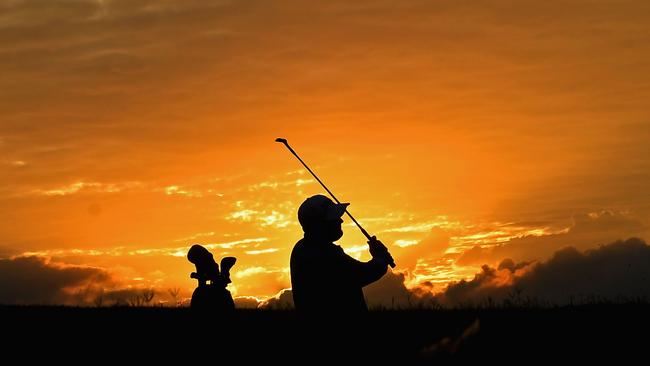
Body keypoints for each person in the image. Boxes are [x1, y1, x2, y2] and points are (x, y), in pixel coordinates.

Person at [290, 194, 392, 311]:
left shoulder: (301, 248)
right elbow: (363, 273)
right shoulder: (325, 254)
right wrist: (380, 259)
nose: (340, 220)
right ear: (320, 224)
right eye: (333, 218)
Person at [187, 244, 236, 310]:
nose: (196, 263)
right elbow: (201, 280)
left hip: (215, 283)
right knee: (200, 290)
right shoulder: (202, 261)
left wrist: (198, 276)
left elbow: (210, 276)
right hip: (212, 283)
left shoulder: (209, 263)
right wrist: (199, 277)